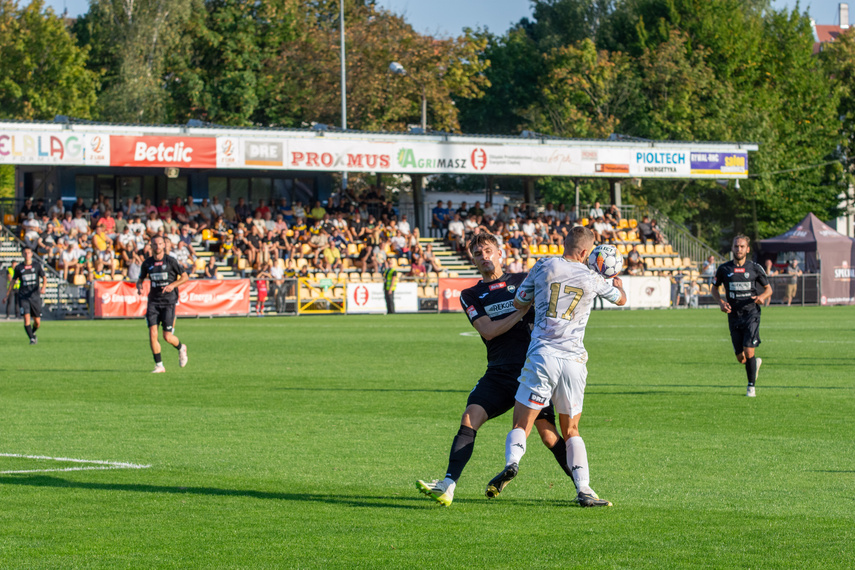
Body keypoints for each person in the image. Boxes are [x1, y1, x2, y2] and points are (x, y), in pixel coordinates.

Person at [416, 233, 578, 507]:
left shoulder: (523, 280)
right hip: (499, 372)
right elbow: (488, 331)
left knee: (549, 435)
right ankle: (448, 485)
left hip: (533, 370)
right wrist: (519, 310)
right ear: (474, 259)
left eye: (488, 250)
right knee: (470, 418)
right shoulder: (470, 294)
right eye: (478, 253)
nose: (484, 256)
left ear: (500, 253)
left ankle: (583, 488)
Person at [486, 226, 627, 507]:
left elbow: (518, 301)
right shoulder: (593, 278)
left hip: (543, 355)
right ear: (587, 252)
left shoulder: (544, 265)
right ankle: (585, 489)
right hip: (574, 361)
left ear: (566, 244)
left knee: (522, 422)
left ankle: (513, 462)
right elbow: (621, 300)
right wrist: (618, 285)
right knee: (571, 429)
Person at [711, 235, 772, 397]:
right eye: (736, 246)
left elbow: (768, 289)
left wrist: (762, 297)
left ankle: (751, 387)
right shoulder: (724, 269)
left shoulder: (755, 268)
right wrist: (721, 303)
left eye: (742, 246)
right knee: (741, 358)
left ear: (748, 249)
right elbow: (714, 288)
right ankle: (754, 365)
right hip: (733, 315)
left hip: (751, 314)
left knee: (749, 350)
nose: (739, 249)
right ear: (732, 248)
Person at [137, 235, 190, 373]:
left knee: (167, 336)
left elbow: (185, 277)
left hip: (168, 303)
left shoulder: (171, 261)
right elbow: (140, 278)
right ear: (151, 246)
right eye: (155, 244)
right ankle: (159, 365)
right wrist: (139, 286)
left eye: (160, 244)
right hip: (153, 303)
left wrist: (173, 285)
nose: (158, 247)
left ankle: (181, 348)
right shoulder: (147, 263)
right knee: (152, 334)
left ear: (164, 245)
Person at [3, 247, 47, 344]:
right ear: (22, 255)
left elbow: (44, 277)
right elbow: (12, 282)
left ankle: (32, 333)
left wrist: (43, 287)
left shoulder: (37, 265)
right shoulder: (19, 268)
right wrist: (7, 295)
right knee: (26, 318)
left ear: (31, 254)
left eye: (28, 253)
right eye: (25, 253)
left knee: (37, 322)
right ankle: (31, 339)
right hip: (23, 297)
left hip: (35, 296)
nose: (27, 255)